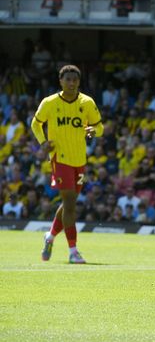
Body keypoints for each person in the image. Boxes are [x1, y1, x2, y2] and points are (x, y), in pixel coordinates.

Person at [32, 65, 104, 264]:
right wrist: (43, 142)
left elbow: (100, 126)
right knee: (71, 204)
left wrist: (94, 131)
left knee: (68, 204)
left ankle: (49, 236)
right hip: (60, 158)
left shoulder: (87, 102)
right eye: (68, 79)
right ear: (61, 81)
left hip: (79, 159)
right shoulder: (50, 103)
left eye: (75, 79)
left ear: (79, 82)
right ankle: (73, 251)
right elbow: (35, 123)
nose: (71, 83)